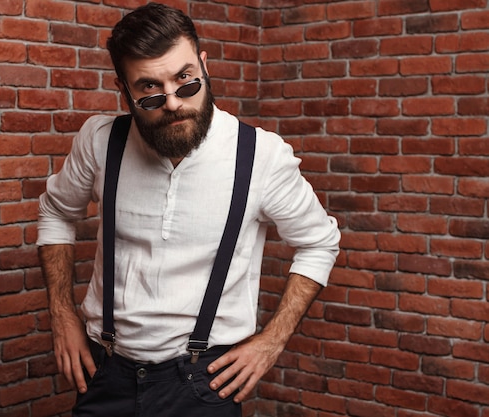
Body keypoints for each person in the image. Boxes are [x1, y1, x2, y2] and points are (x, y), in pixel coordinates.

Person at [37, 3, 340, 416]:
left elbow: (319, 243)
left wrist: (272, 341)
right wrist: (62, 313)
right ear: (124, 90)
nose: (174, 103)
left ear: (203, 65)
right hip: (105, 375)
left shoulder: (258, 156)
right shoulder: (100, 142)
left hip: (203, 384)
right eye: (150, 90)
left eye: (185, 81)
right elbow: (56, 213)